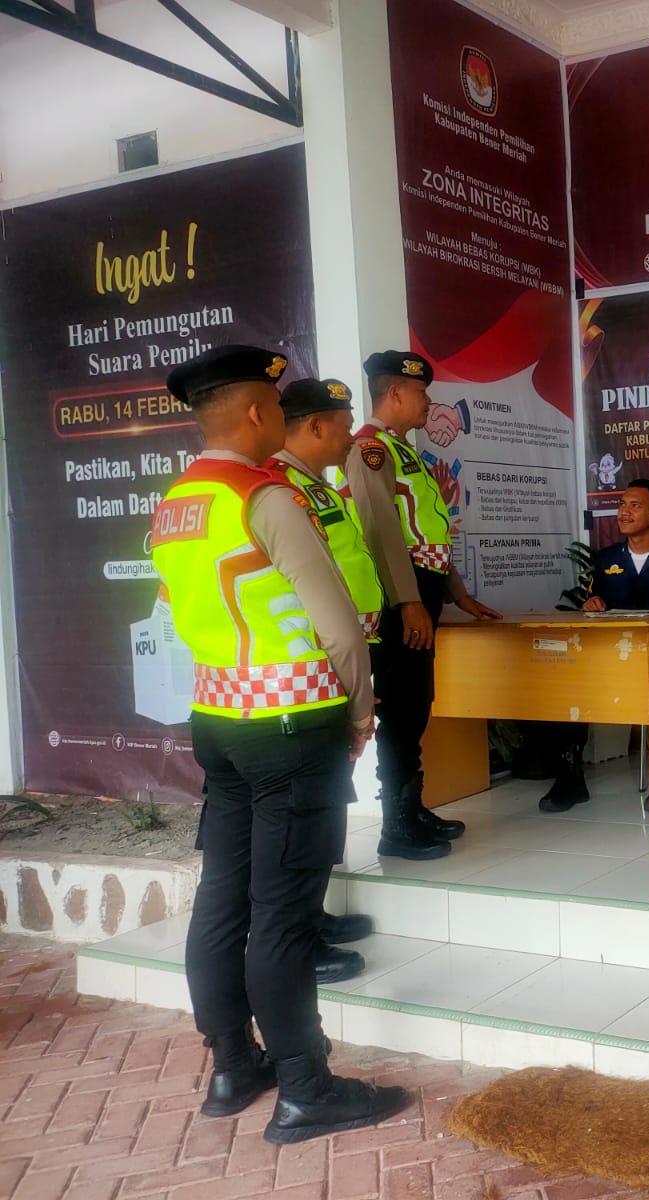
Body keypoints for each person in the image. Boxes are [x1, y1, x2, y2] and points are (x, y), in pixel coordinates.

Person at [153, 345, 408, 1143]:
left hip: (218, 721)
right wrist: (360, 714)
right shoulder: (262, 496)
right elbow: (339, 626)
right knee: (285, 913)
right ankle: (305, 1087)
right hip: (293, 725)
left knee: (223, 897)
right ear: (260, 412)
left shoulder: (175, 504)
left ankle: (234, 1065)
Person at [339, 350, 501, 860]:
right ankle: (397, 825)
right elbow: (381, 531)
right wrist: (408, 600)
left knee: (416, 703)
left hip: (420, 589)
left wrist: (457, 593)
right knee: (403, 705)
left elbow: (427, 534)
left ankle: (413, 807)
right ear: (395, 393)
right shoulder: (370, 450)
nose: (428, 402)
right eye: (421, 392)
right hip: (398, 596)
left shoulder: (402, 450)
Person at [266, 377, 386, 985]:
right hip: (308, 675)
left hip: (338, 668)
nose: (350, 437)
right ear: (314, 426)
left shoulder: (314, 486)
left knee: (327, 802)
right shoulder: (279, 490)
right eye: (342, 426)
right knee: (304, 815)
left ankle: (312, 916)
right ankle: (298, 940)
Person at [529, 478, 649, 813]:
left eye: (635, 506)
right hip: (612, 659)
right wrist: (592, 604)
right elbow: (595, 603)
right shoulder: (606, 558)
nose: (624, 512)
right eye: (622, 505)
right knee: (566, 687)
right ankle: (570, 780)